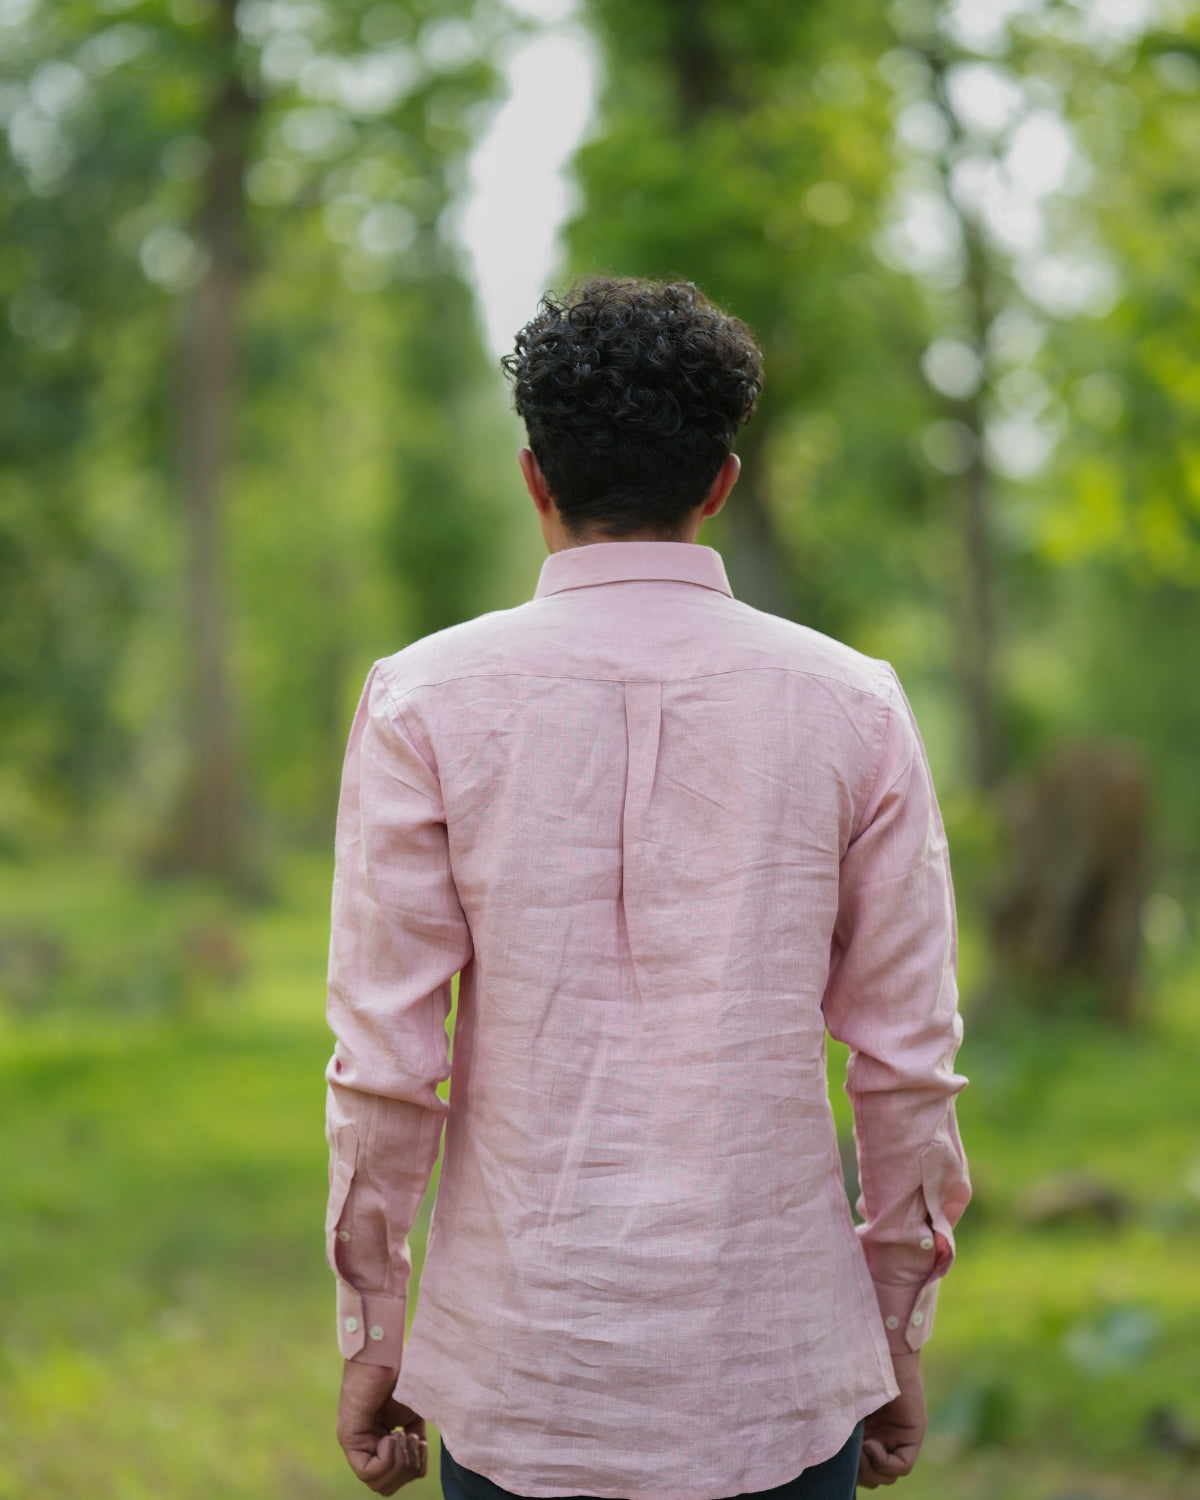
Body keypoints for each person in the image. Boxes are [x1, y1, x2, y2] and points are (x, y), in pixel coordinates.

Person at [324, 277, 970, 1500]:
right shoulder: (856, 705)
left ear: (534, 479)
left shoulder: (423, 702)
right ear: (721, 483)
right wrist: (894, 1330)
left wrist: (372, 1322)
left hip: (521, 1372)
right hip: (777, 1373)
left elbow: (387, 1065)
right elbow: (907, 1063)